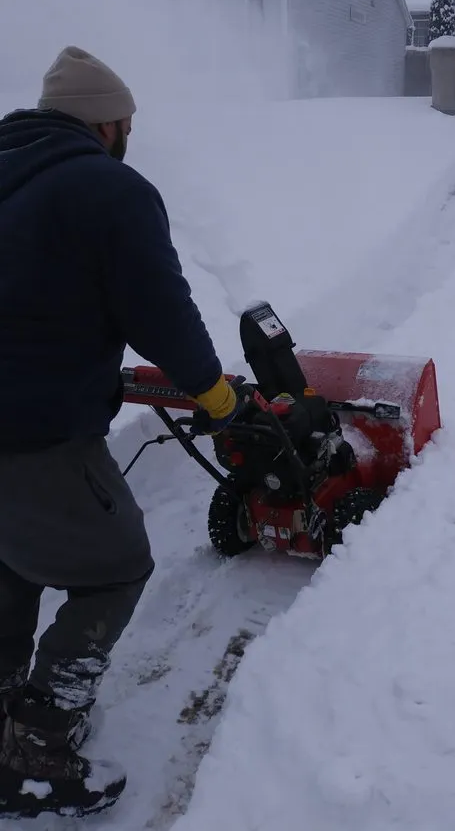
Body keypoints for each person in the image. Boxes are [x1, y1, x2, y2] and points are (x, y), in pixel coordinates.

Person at [0, 46, 243, 818]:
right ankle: (36, 750)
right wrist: (217, 397)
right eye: (127, 123)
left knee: (10, 564)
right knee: (114, 566)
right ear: (106, 124)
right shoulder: (108, 188)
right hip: (33, 431)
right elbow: (159, 311)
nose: (129, 135)